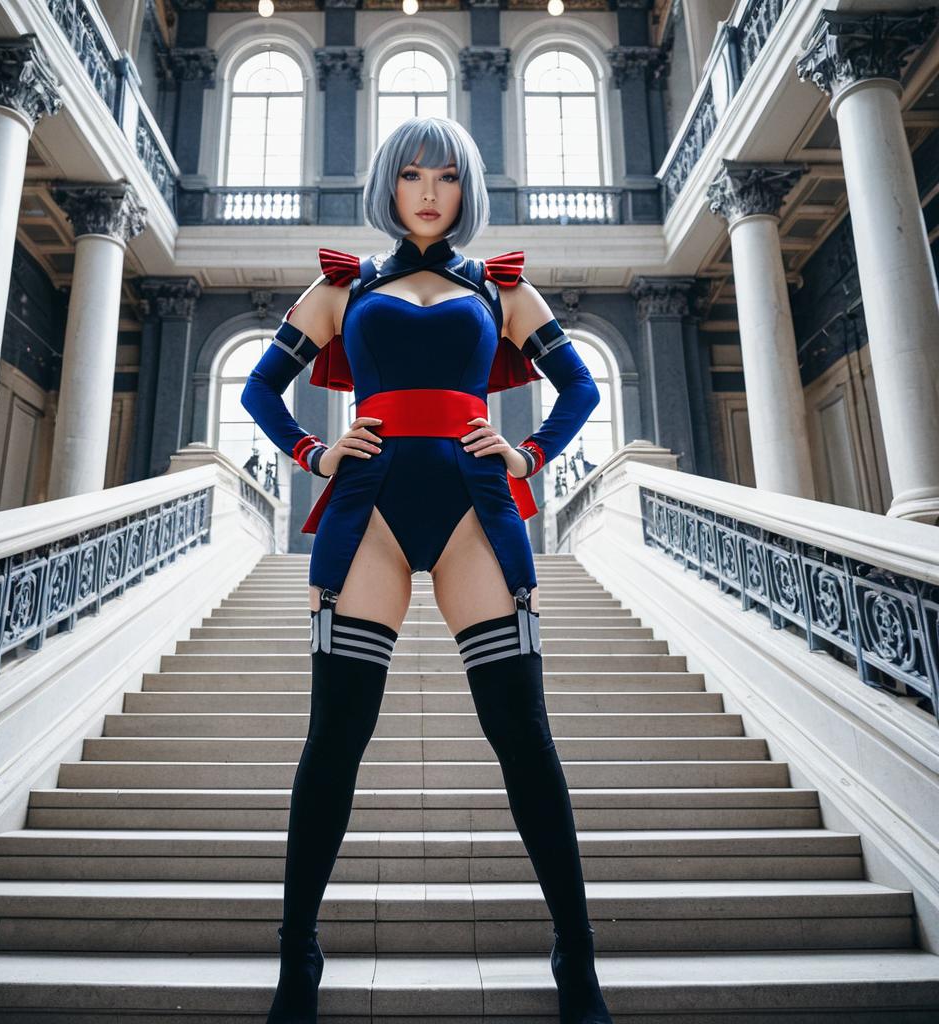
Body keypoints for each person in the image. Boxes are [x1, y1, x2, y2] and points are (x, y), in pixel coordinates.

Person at [241, 115, 614, 1024]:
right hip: (366, 509)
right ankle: (299, 956)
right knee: (335, 739)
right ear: (389, 184)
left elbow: (582, 391)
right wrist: (310, 453)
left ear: (465, 188)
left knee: (522, 735)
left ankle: (577, 957)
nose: (430, 191)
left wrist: (526, 455)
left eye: (447, 177)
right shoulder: (340, 289)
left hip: (473, 510)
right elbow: (259, 388)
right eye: (412, 175)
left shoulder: (499, 289)